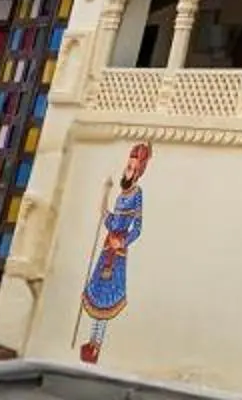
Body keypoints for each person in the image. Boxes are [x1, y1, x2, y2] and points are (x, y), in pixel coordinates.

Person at [76, 141, 149, 365]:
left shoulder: (137, 194)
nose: (129, 171)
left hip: (117, 252)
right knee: (97, 294)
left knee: (107, 297)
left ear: (139, 172)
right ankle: (91, 341)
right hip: (107, 245)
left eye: (133, 168)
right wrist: (104, 195)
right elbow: (109, 219)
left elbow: (137, 227)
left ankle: (97, 344)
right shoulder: (120, 194)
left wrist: (123, 241)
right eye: (128, 166)